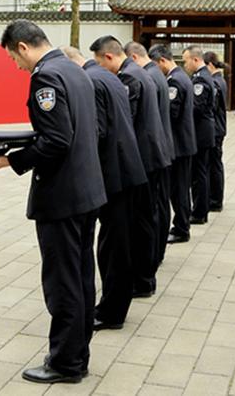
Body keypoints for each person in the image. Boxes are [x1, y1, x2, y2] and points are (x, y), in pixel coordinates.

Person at [0, 21, 107, 383]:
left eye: (12, 58)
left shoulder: (46, 77)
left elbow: (56, 140)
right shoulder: (76, 69)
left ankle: (66, 362)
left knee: (63, 281)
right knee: (82, 276)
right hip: (87, 190)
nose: (16, 66)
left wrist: (12, 159)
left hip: (63, 196)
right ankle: (76, 354)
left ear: (23, 47)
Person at [62, 47, 148, 332]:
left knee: (113, 247)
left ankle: (112, 311)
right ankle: (114, 305)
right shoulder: (106, 75)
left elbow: (96, 132)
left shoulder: (92, 79)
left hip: (114, 174)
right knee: (118, 244)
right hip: (126, 169)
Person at [90, 35, 171, 298]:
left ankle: (143, 279)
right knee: (146, 219)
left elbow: (127, 123)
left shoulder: (129, 78)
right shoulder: (140, 71)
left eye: (100, 63)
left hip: (143, 160)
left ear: (109, 57)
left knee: (140, 222)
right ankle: (144, 277)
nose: (101, 70)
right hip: (152, 155)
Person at [126, 41, 175, 265]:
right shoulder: (155, 74)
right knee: (159, 205)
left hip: (153, 150)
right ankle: (157, 251)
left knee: (154, 208)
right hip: (161, 146)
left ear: (133, 58)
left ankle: (154, 253)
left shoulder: (147, 77)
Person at [150, 44, 196, 244]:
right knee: (181, 188)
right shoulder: (180, 77)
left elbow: (171, 113)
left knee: (178, 190)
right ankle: (181, 225)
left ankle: (181, 228)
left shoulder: (175, 81)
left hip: (178, 145)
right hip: (183, 143)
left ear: (162, 61)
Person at [182, 45, 216, 225]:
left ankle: (199, 212)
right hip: (203, 131)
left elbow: (196, 107)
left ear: (195, 59)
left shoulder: (200, 79)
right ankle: (200, 209)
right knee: (200, 173)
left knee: (198, 174)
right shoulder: (201, 76)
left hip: (200, 132)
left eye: (186, 60)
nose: (185, 64)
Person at [203, 52, 228, 212]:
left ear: (210, 65)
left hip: (215, 129)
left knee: (214, 165)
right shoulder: (219, 80)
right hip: (218, 127)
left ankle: (215, 200)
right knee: (215, 164)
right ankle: (215, 198)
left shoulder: (215, 82)